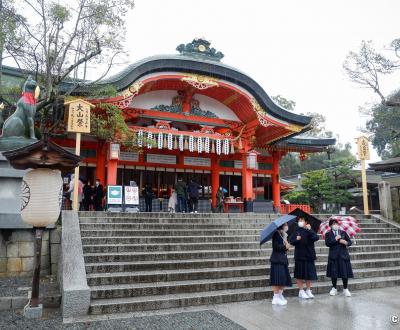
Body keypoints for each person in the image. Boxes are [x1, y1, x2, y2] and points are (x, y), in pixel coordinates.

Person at [289, 217, 319, 299]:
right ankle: (301, 291)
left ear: (306, 222)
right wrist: (296, 239)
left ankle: (308, 290)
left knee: (309, 274)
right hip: (300, 255)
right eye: (299, 220)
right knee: (300, 274)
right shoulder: (296, 230)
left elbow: (316, 238)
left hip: (309, 255)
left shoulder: (310, 230)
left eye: (302, 220)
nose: (300, 222)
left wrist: (310, 230)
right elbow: (291, 241)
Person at [325, 219, 354, 297]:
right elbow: (327, 243)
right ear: (330, 225)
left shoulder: (343, 232)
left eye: (336, 223)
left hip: (343, 255)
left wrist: (346, 242)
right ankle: (334, 288)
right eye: (333, 224)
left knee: (344, 273)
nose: (335, 225)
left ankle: (345, 288)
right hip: (333, 256)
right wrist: (335, 239)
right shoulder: (328, 234)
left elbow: (350, 242)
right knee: (334, 273)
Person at [270, 223, 292, 305]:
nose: (287, 226)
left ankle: (279, 295)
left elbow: (284, 248)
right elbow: (275, 247)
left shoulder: (283, 235)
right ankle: (275, 297)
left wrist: (287, 247)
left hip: (283, 259)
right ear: (282, 226)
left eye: (287, 224)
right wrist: (284, 247)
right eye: (285, 225)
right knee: (277, 278)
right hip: (277, 259)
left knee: (283, 278)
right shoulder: (276, 234)